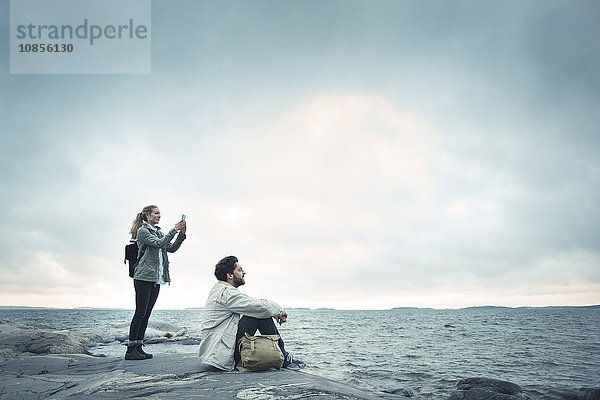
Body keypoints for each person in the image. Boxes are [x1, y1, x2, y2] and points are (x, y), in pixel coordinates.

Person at [198, 256, 306, 371]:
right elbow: (258, 306)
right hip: (219, 354)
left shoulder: (220, 290)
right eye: (240, 270)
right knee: (258, 314)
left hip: (215, 350)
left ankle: (282, 355)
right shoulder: (227, 293)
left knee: (259, 312)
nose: (244, 272)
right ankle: (284, 357)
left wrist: (269, 311)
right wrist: (280, 311)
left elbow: (254, 305)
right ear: (230, 275)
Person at [125, 205, 187, 360]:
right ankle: (130, 350)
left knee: (146, 314)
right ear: (147, 215)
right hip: (143, 277)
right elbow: (159, 244)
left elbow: (170, 248)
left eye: (160, 213)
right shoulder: (143, 231)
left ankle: (138, 347)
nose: (159, 216)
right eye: (156, 213)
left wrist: (181, 235)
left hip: (155, 278)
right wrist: (174, 229)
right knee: (140, 313)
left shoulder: (158, 232)